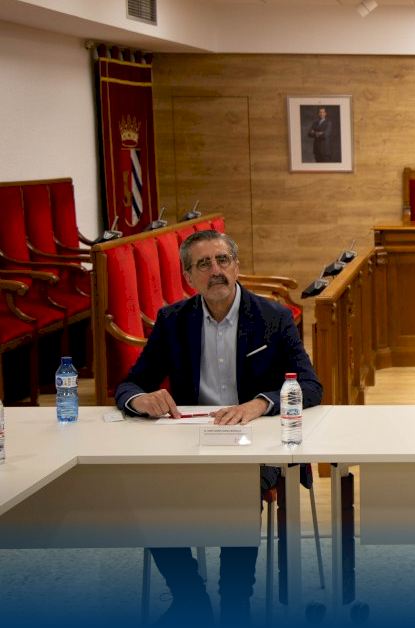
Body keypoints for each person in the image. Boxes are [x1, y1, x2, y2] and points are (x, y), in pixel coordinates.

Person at [116, 230, 322, 625]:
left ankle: (235, 604)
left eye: (223, 260)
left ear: (236, 266)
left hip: (255, 444)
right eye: (204, 264)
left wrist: (260, 403)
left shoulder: (273, 318)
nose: (216, 270)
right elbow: (130, 384)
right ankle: (190, 598)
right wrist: (140, 400)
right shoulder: (173, 321)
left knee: (237, 488)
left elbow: (311, 386)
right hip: (189, 442)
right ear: (188, 277)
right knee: (146, 491)